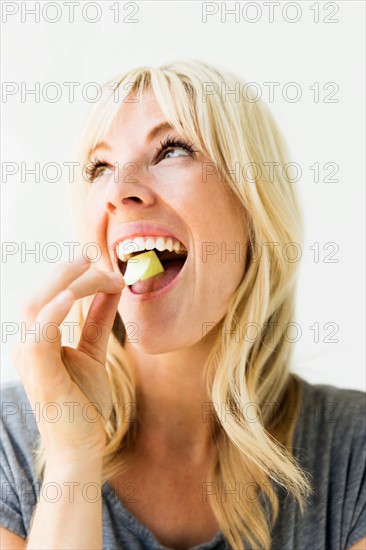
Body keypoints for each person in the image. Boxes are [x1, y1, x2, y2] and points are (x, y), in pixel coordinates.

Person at [1, 60, 365, 550]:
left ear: (254, 206)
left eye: (172, 150)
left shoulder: (354, 451)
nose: (118, 190)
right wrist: (71, 460)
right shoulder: (10, 444)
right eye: (99, 167)